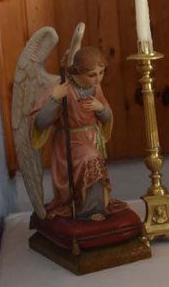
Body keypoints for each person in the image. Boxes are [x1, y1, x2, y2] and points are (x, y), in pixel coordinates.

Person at [31, 45, 127, 220]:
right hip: (69, 142)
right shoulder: (62, 87)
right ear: (78, 72)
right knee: (90, 158)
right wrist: (55, 99)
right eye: (92, 74)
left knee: (93, 158)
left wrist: (101, 109)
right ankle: (88, 210)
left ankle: (96, 206)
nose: (98, 79)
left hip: (91, 139)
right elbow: (40, 122)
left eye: (101, 73)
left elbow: (107, 116)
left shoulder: (95, 87)